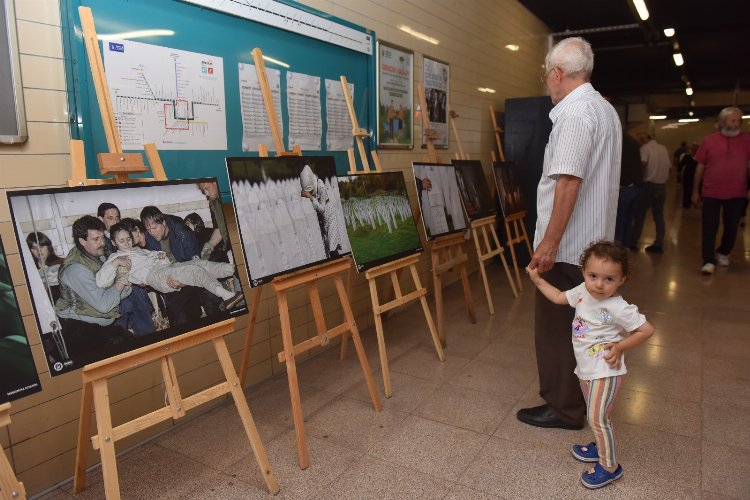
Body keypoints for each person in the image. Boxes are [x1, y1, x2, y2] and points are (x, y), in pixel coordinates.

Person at [516, 37, 622, 431]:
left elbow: (569, 183)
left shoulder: (576, 115)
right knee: (584, 329)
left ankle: (563, 409)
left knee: (555, 330)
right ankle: (582, 401)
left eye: (547, 76)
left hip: (568, 250)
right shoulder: (604, 109)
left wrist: (548, 243)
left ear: (558, 74)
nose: (548, 83)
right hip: (592, 247)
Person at [526, 240, 654, 489]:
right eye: (593, 275)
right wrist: (537, 279)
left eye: (609, 279)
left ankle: (610, 467)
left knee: (597, 419)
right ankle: (600, 445)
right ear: (583, 271)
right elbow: (559, 297)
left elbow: (646, 330)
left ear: (622, 280)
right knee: (597, 416)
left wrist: (620, 347)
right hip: (585, 369)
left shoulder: (618, 307)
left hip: (605, 372)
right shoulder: (583, 292)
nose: (598, 284)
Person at [97, 223, 243, 311]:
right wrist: (115, 263)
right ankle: (226, 296)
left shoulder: (138, 250)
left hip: (167, 268)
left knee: (200, 264)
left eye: (128, 239)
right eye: (122, 241)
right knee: (195, 271)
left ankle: (235, 269)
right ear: (114, 243)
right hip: (155, 277)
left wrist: (161, 257)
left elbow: (158, 257)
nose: (127, 243)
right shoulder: (114, 258)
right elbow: (101, 281)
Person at [54, 215, 133, 364]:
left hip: (102, 323)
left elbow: (123, 293)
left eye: (103, 237)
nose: (102, 243)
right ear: (82, 241)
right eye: (96, 239)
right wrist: (122, 279)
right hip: (80, 329)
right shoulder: (76, 269)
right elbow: (105, 305)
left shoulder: (98, 255)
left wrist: (122, 284)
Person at [691, 106, 750, 274]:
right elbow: (699, 168)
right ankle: (708, 260)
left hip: (737, 192)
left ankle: (723, 251)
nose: (737, 123)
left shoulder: (747, 140)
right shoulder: (709, 141)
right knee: (709, 227)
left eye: (739, 120)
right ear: (723, 122)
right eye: (733, 120)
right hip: (711, 192)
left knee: (732, 226)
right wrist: (695, 191)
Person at [141, 205, 222, 324]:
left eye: (155, 227)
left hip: (193, 272)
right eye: (148, 230)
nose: (152, 232)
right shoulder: (148, 237)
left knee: (212, 304)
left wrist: (184, 281)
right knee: (179, 321)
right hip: (173, 281)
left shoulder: (182, 232)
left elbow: (196, 265)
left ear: (163, 222)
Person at [629, 133, 670, 253]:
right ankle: (659, 242)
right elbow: (670, 168)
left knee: (640, 215)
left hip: (648, 186)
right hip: (662, 186)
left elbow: (643, 164)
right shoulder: (663, 148)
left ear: (643, 139)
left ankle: (633, 241)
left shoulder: (645, 148)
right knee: (659, 216)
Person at [300, 165, 343, 258]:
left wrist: (310, 197)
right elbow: (316, 206)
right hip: (324, 217)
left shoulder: (321, 185)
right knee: (328, 243)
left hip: (330, 214)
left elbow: (322, 208)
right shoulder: (314, 188)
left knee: (332, 246)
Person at [614, 134, 643, 247]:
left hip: (625, 187)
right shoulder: (632, 141)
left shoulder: (620, 141)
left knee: (619, 222)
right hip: (635, 186)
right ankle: (626, 247)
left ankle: (618, 249)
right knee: (628, 221)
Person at [196, 181, 230, 263]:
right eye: (203, 191)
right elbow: (219, 229)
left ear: (215, 183)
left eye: (207, 189)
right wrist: (208, 247)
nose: (206, 194)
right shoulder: (212, 202)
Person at [26, 231, 65, 303]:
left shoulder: (62, 263)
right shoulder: (29, 271)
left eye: (41, 246)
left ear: (48, 247)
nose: (39, 251)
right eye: (34, 248)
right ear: (29, 250)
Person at [677, 143, 699, 209]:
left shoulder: (700, 157)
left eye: (695, 149)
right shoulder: (686, 157)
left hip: (696, 175)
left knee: (696, 189)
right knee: (687, 190)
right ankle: (686, 203)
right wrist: (678, 172)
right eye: (693, 149)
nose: (694, 150)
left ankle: (695, 202)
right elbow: (681, 165)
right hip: (687, 175)